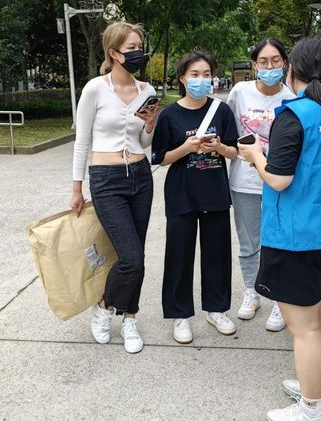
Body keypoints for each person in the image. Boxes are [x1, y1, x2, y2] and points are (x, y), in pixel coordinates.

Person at [239, 38, 321, 421]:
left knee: (305, 328)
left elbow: (278, 179)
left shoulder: (294, 115)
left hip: (298, 236)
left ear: (293, 70)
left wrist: (255, 155)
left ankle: (310, 407)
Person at [70, 22, 159, 354]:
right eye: (131, 48)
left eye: (139, 46)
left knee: (139, 253)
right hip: (106, 179)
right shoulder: (95, 88)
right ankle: (105, 306)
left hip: (140, 175)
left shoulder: (147, 90)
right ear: (114, 53)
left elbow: (144, 142)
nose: (138, 53)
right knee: (130, 257)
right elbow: (82, 141)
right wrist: (77, 188)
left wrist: (150, 124)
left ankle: (130, 317)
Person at [151, 51, 239, 344]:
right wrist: (187, 148)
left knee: (217, 254)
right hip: (181, 194)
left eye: (206, 74)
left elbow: (235, 151)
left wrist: (218, 148)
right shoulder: (169, 115)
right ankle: (180, 315)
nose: (201, 80)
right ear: (182, 79)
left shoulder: (221, 111)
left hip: (214, 193)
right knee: (179, 255)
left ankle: (217, 310)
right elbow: (160, 158)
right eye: (195, 75)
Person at [227, 38, 295, 331]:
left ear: (284, 63)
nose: (270, 67)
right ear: (254, 65)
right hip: (244, 183)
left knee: (279, 242)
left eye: (275, 61)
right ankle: (252, 292)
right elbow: (229, 130)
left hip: (279, 183)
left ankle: (280, 299)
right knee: (248, 243)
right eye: (263, 62)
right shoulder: (240, 92)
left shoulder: (292, 97)